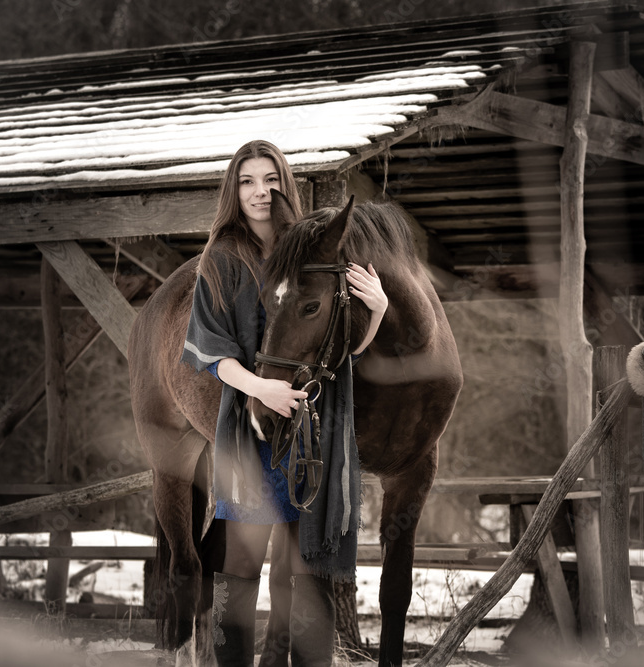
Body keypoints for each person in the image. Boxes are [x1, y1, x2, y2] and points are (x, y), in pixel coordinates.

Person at [181, 140, 387, 666]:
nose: (260, 191)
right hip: (252, 427)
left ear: (284, 183)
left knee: (307, 570)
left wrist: (378, 311)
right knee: (242, 567)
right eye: (248, 180)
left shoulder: (315, 247)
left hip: (315, 436)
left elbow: (340, 352)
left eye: (270, 179)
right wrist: (261, 388)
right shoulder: (222, 259)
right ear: (234, 189)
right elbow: (211, 352)